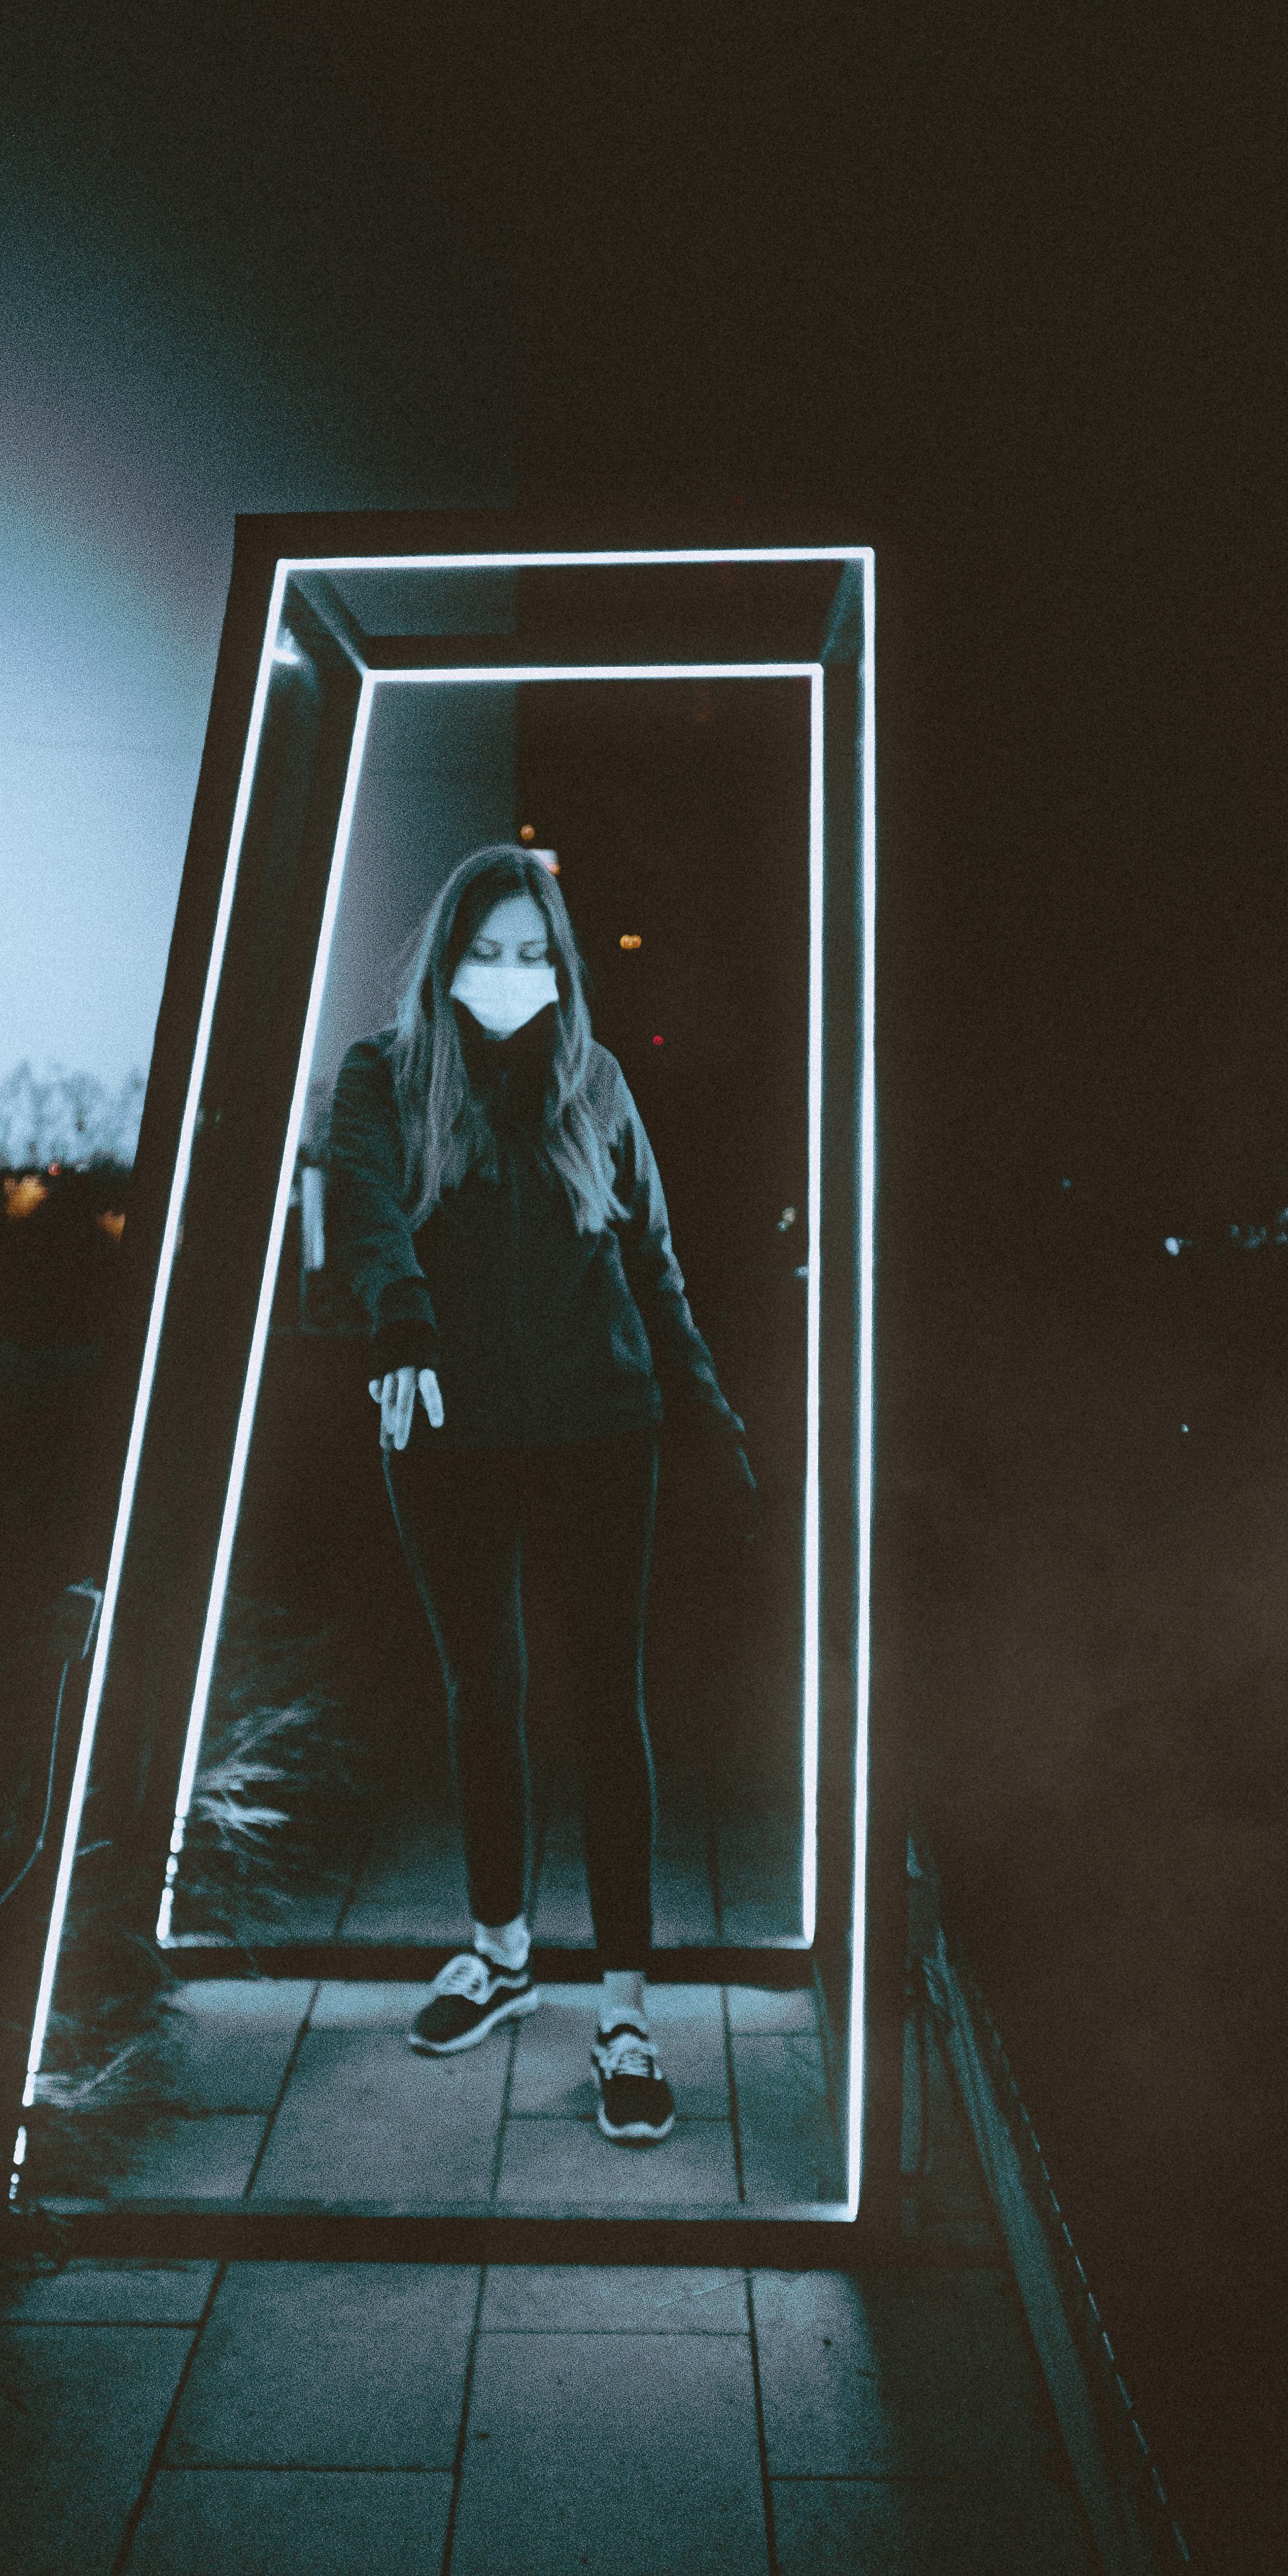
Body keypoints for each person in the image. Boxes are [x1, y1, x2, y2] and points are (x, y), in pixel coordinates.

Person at [323, 842, 757, 2142]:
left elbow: (652, 1262)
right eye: (483, 952)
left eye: (532, 956)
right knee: (483, 1691)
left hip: (595, 1430)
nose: (507, 977)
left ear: (559, 968)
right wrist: (400, 1323)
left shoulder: (598, 1084)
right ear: (445, 958)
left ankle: (624, 2013)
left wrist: (705, 1412)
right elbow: (361, 1209)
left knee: (604, 1700)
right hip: (443, 1429)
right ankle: (501, 1952)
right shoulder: (384, 1076)